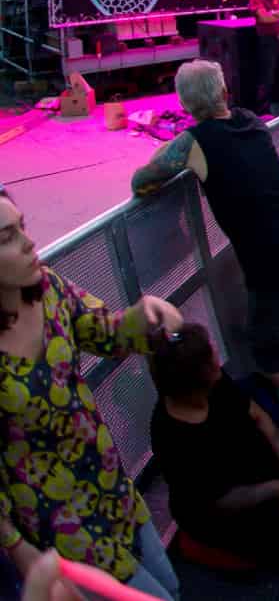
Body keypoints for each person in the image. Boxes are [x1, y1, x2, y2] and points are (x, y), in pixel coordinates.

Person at [0, 190, 185, 597]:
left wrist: (146, 316)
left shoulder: (48, 288)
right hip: (60, 531)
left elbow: (108, 334)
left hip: (112, 490)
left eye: (23, 227)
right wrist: (16, 549)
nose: (29, 242)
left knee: (170, 584)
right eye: (6, 236)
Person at [129, 59, 279, 410]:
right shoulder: (251, 122)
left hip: (272, 267)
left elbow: (142, 180)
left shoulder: (196, 142)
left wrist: (179, 142)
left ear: (183, 105)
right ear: (224, 92)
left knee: (270, 359)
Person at [148, 323, 279, 572]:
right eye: (210, 353)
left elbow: (258, 416)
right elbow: (217, 501)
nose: (216, 351)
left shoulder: (215, 383)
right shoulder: (172, 435)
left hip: (253, 474)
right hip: (221, 509)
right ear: (197, 374)